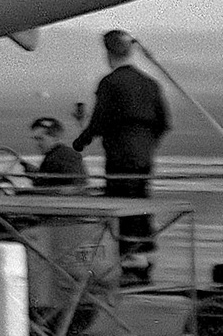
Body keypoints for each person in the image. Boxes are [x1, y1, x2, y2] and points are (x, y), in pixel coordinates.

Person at [72, 29, 170, 282]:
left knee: (121, 204)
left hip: (119, 154)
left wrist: (79, 143)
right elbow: (164, 122)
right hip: (143, 156)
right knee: (140, 202)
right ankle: (145, 258)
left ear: (109, 54)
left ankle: (130, 262)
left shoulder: (110, 83)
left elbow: (99, 122)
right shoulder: (151, 84)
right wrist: (148, 144)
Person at [24, 116, 88, 193]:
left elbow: (42, 186)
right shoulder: (65, 154)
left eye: (40, 139)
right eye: (35, 139)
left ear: (55, 138)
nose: (37, 144)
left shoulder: (55, 158)